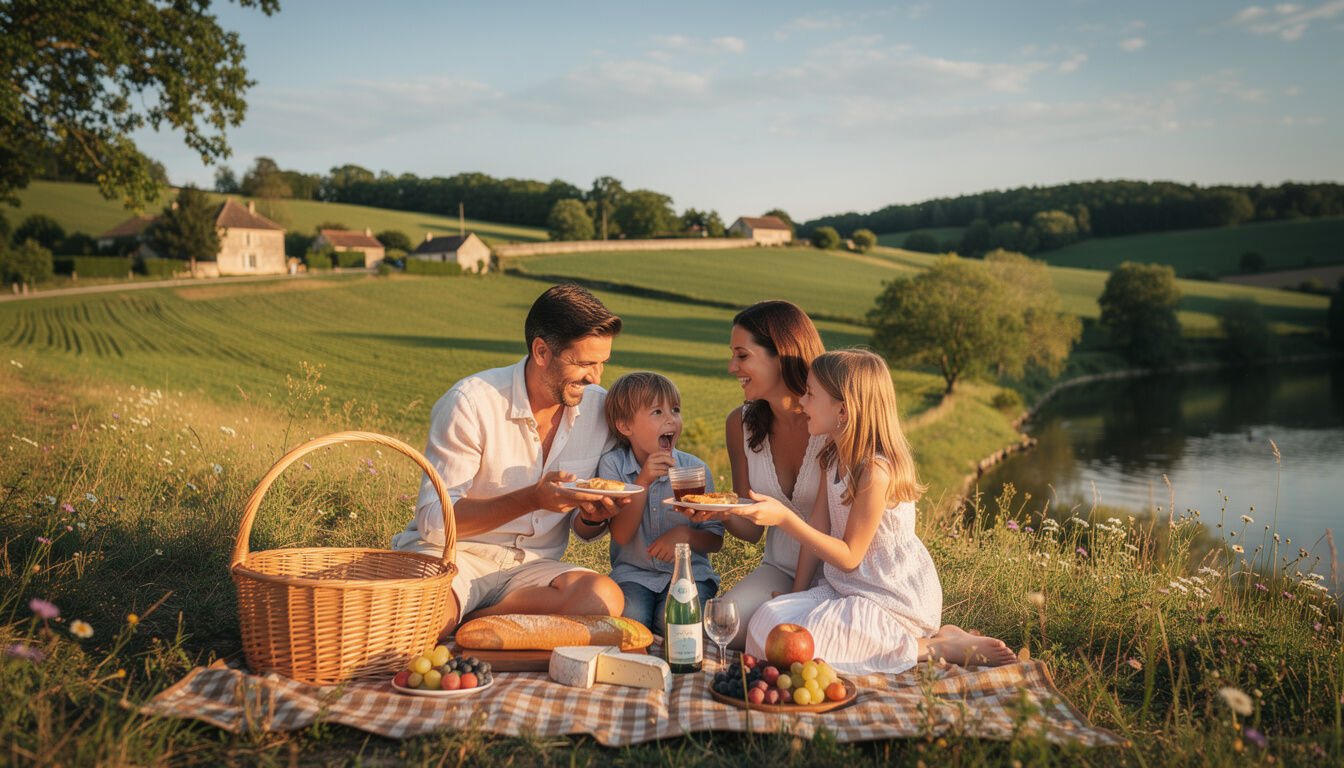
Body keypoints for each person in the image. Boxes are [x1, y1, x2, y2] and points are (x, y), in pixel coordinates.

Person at [736, 349, 1017, 674]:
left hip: (890, 598)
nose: (802, 403)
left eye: (811, 394)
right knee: (763, 626)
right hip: (846, 590)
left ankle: (940, 646)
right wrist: (795, 597)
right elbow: (818, 526)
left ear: (843, 409)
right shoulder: (831, 458)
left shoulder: (875, 472)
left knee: (809, 650)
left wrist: (784, 518)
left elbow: (849, 556)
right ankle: (919, 642)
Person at [391, 284, 630, 627]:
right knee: (424, 614)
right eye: (585, 363)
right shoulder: (471, 402)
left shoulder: (599, 410)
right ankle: (459, 622)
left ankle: (471, 624)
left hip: (533, 571)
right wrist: (532, 499)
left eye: (602, 363)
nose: (595, 377)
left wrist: (593, 517)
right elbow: (433, 523)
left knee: (603, 597)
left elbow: (584, 532)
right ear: (542, 352)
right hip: (455, 556)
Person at [711, 300, 827, 648]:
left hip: (839, 573)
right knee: (722, 624)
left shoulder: (830, 419)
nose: (732, 367)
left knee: (786, 641)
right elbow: (749, 532)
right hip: (780, 568)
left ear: (781, 354)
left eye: (742, 355)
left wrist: (796, 598)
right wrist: (718, 509)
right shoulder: (740, 425)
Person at [596, 372, 723, 633]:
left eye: (675, 410)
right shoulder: (613, 466)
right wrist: (641, 482)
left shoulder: (695, 469)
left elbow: (715, 539)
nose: (671, 419)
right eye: (657, 412)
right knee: (630, 620)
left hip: (691, 575)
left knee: (675, 622)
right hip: (633, 575)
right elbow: (620, 535)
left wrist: (684, 535)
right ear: (625, 426)